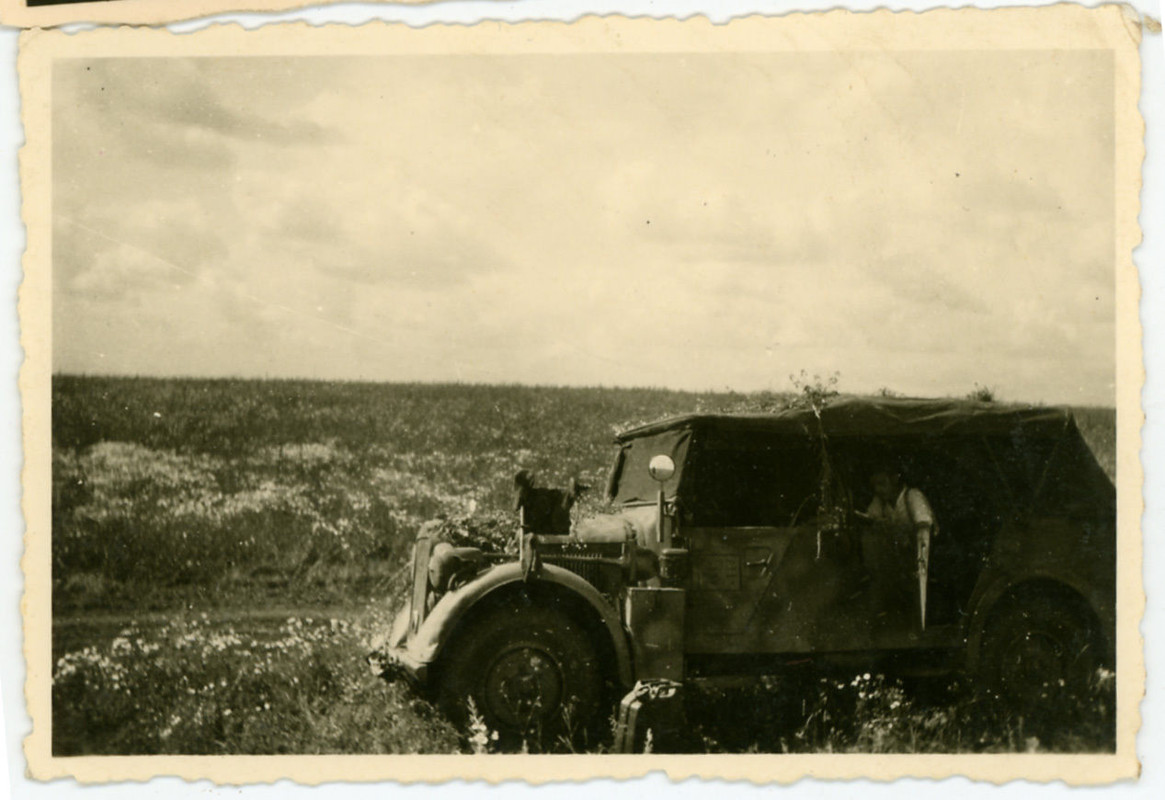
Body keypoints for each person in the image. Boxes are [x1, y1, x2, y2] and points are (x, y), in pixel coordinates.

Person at [857, 465, 938, 629]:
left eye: (882, 483)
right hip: (902, 564)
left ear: (895, 479)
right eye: (875, 486)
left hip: (927, 558)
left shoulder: (912, 496)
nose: (878, 490)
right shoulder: (882, 502)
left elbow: (924, 528)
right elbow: (870, 518)